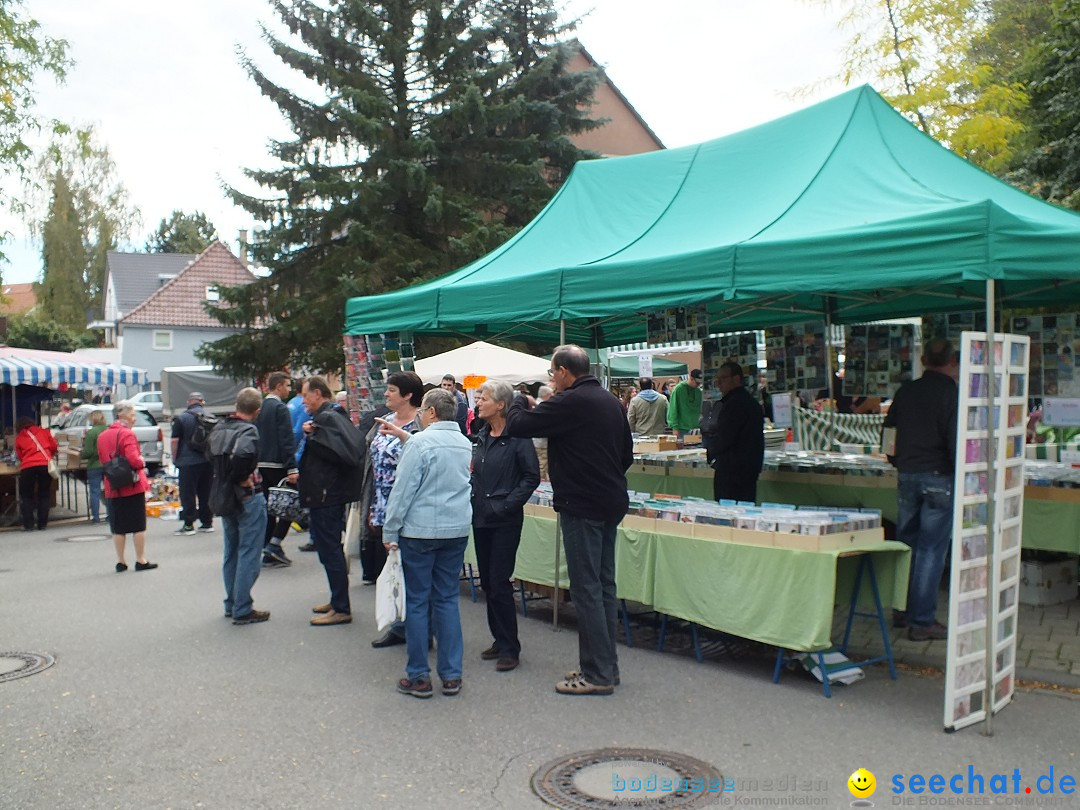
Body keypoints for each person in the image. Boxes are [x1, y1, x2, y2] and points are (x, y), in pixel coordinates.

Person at [505, 344, 633, 696]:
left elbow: (517, 425)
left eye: (551, 373)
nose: (551, 379)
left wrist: (521, 398)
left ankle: (596, 673)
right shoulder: (609, 400)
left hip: (583, 504)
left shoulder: (570, 401)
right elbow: (626, 454)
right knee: (604, 586)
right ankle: (607, 666)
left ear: (563, 371)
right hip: (609, 500)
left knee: (587, 589)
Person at [381, 388, 474, 698]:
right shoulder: (463, 443)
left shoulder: (420, 443)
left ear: (432, 412)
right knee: (447, 600)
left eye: (422, 409)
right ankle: (451, 674)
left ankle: (419, 675)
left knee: (418, 602)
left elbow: (402, 491)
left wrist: (390, 531)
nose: (419, 414)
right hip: (455, 529)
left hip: (419, 531)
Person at [883, 338, 958, 642]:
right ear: (952, 362)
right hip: (939, 476)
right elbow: (956, 438)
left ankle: (902, 609)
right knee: (931, 550)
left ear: (925, 360)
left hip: (909, 474)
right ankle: (922, 619)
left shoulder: (907, 391)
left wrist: (896, 459)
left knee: (907, 545)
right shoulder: (951, 393)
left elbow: (889, 433)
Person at [471, 381, 540, 673]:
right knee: (487, 581)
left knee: (499, 582)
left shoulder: (517, 438)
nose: (478, 403)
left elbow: (531, 476)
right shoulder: (482, 436)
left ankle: (511, 647)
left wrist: (508, 504)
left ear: (500, 405)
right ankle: (499, 638)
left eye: (483, 398)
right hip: (481, 517)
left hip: (504, 519)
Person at [361, 371, 424, 645]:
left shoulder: (421, 425)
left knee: (413, 570)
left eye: (391, 390)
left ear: (408, 395)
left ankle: (419, 628)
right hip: (382, 503)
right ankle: (400, 624)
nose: (386, 394)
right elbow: (371, 465)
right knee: (394, 567)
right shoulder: (383, 421)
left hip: (409, 506)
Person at [299, 376, 365, 626]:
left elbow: (342, 454)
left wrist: (314, 437)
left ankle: (341, 607)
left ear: (317, 393)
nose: (303, 401)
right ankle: (337, 599)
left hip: (326, 495)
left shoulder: (328, 418)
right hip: (326, 493)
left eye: (306, 395)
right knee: (329, 551)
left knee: (330, 551)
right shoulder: (331, 416)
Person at [209, 388, 270, 624]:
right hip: (247, 494)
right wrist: (239, 475)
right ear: (257, 410)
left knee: (231, 549)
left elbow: (209, 453)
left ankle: (232, 601)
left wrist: (226, 476)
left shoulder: (220, 427)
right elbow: (245, 455)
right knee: (249, 551)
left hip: (225, 495)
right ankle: (242, 606)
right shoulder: (249, 430)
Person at [98, 402, 156, 572]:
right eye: (132, 415)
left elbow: (103, 459)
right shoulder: (126, 434)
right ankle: (141, 560)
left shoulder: (103, 436)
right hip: (131, 485)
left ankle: (121, 561)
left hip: (113, 485)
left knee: (118, 527)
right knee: (138, 525)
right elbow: (133, 459)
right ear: (122, 416)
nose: (134, 418)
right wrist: (141, 461)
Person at [700, 362, 765, 503]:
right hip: (749, 469)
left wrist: (711, 450)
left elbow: (725, 437)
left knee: (727, 512)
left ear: (736, 379)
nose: (718, 383)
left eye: (723, 378)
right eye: (717, 379)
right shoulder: (751, 402)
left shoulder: (733, 404)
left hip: (732, 471)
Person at [256, 372, 299, 567]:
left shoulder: (261, 406)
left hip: (262, 463)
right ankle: (275, 543)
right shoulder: (280, 408)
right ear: (279, 386)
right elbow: (286, 438)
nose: (289, 390)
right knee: (290, 503)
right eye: (288, 386)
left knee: (269, 507)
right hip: (279, 464)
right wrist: (291, 466)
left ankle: (267, 547)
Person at [171, 392, 214, 535]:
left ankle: (189, 525)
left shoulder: (182, 418)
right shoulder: (210, 417)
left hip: (187, 461)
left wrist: (175, 458)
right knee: (205, 492)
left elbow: (174, 441)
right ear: (202, 402)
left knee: (188, 493)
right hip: (207, 461)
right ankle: (207, 523)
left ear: (189, 402)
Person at [15, 416, 57, 531]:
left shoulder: (19, 437)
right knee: (44, 493)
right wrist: (49, 455)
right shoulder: (44, 432)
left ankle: (28, 524)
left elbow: (20, 455)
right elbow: (54, 446)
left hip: (28, 467)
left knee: (27, 495)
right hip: (44, 465)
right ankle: (42, 523)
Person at [81, 410, 108, 524]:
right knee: (109, 490)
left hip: (94, 465)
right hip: (108, 464)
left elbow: (88, 452)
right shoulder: (108, 430)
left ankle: (96, 517)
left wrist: (82, 452)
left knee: (94, 491)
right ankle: (110, 515)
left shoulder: (91, 433)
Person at [666, 369, 703, 440]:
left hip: (696, 429)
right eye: (697, 383)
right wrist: (675, 428)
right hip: (682, 429)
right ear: (691, 378)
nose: (698, 385)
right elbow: (673, 409)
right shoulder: (679, 389)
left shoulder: (698, 391)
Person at [532, 385, 553, 480]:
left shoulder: (535, 404)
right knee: (542, 464)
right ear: (546, 395)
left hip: (535, 440)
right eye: (551, 395)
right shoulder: (544, 406)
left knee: (538, 462)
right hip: (542, 442)